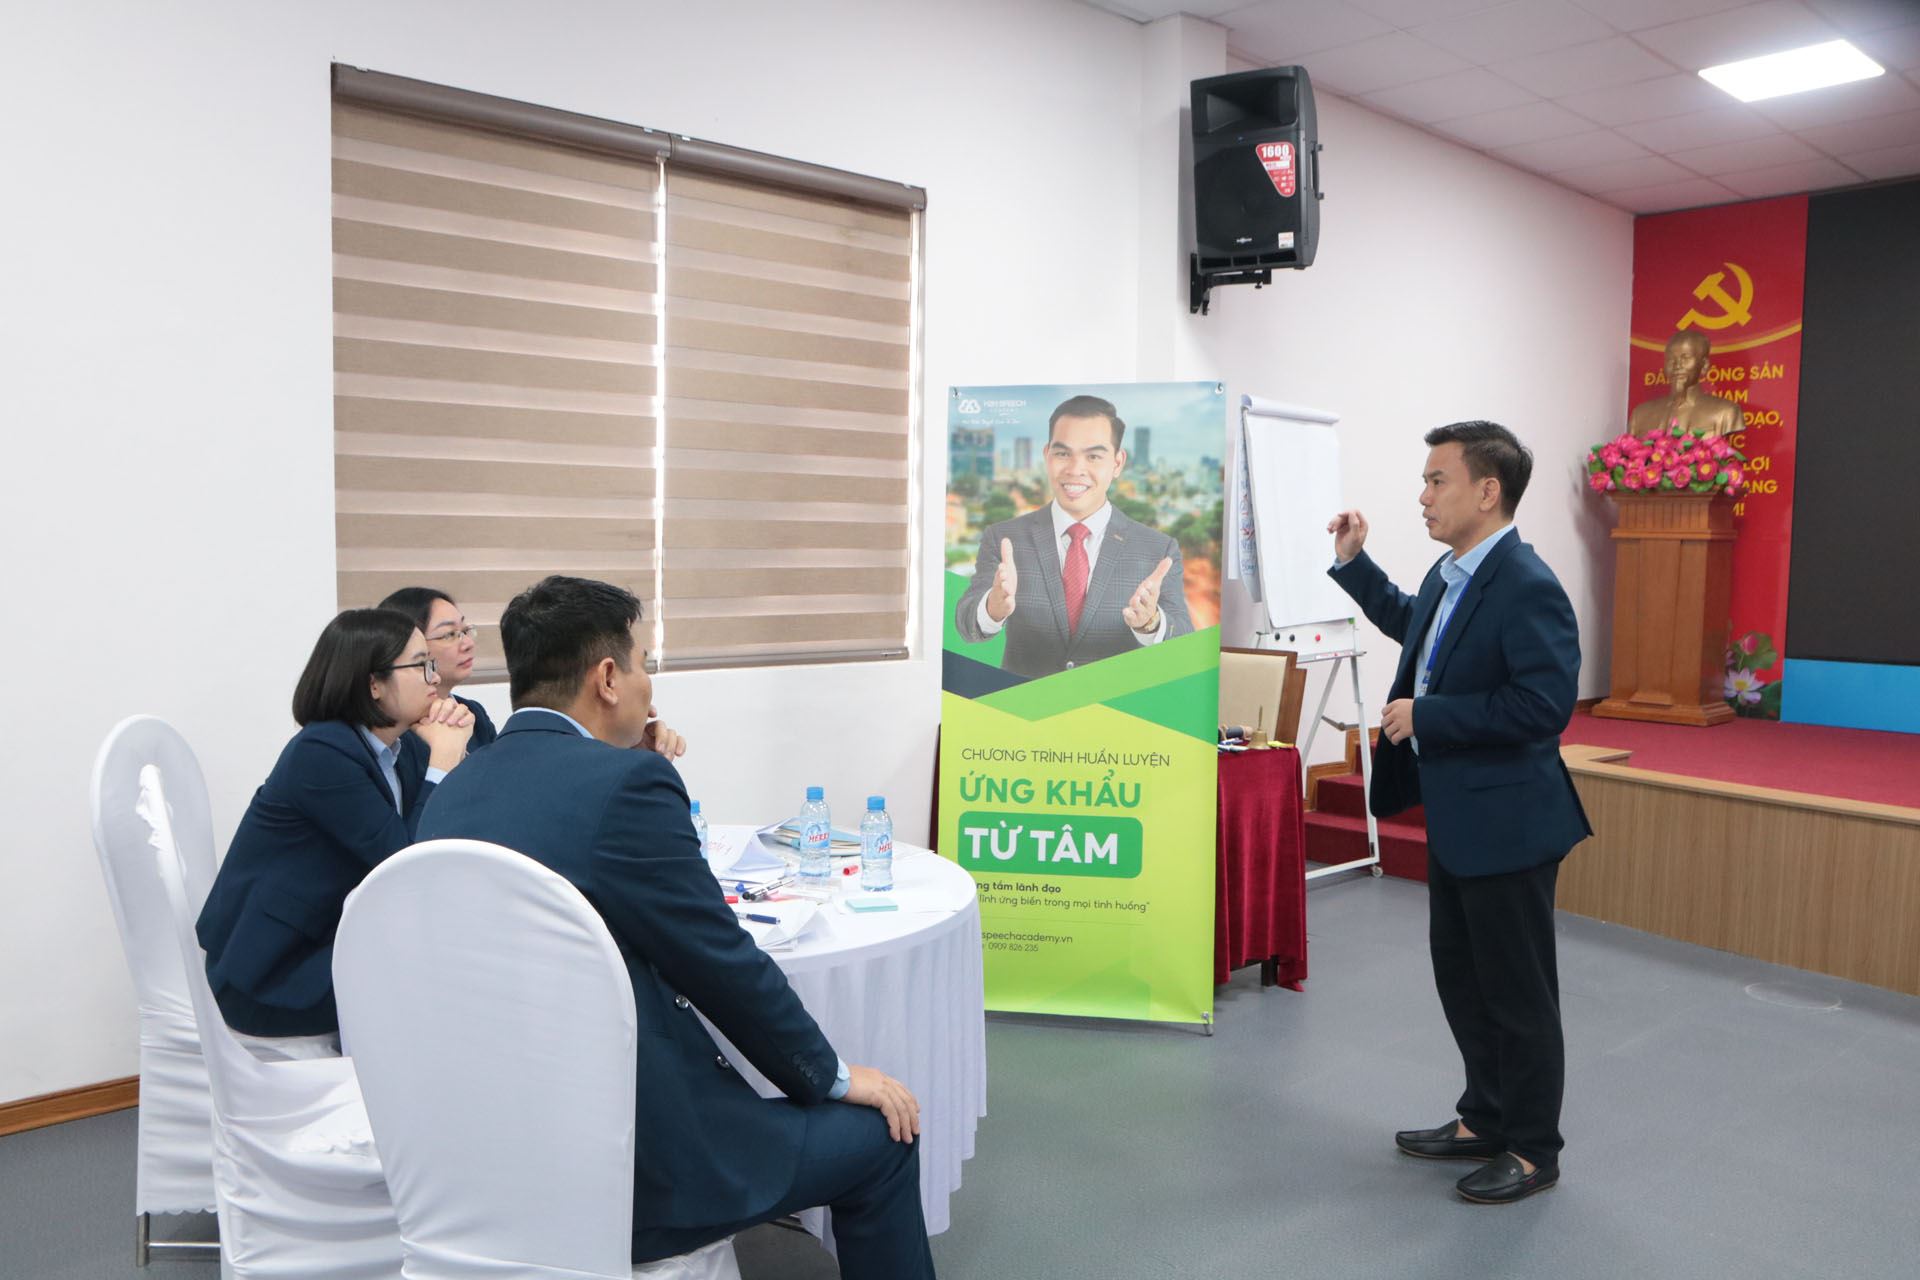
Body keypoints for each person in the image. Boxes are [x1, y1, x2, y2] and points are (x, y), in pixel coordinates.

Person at [416, 575, 934, 1276]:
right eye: (640, 665)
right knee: (882, 1139)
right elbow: (720, 961)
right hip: (635, 1165)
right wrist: (835, 1076)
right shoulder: (627, 787)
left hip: (491, 1149)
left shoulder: (454, 791)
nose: (648, 687)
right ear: (607, 678)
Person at [1325, 421, 1591, 1205]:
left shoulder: (1527, 583)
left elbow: (1543, 706)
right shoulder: (1452, 573)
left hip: (1511, 823)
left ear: (1487, 491)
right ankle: (1485, 1117)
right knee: (1465, 980)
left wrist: (1429, 717)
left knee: (1517, 992)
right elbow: (1418, 628)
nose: (1423, 495)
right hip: (1461, 816)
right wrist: (1355, 565)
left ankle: (1533, 1148)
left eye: (1437, 480)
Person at [196, 609, 473, 1057]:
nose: (435, 678)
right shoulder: (322, 752)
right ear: (373, 684)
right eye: (421, 664)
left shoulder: (399, 747)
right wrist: (442, 762)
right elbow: (404, 866)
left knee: (459, 959)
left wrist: (448, 753)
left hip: (330, 940)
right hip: (274, 973)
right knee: (451, 979)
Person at [954, 394, 1194, 678]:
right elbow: (966, 624)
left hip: (1118, 705)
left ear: (1117, 463)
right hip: (1023, 703)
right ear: (1047, 456)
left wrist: (1150, 623)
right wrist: (992, 609)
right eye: (1063, 454)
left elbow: (1185, 642)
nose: (1075, 469)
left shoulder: (1157, 549)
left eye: (1093, 456)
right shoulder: (1004, 538)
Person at [378, 584, 689, 759]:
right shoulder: (397, 735)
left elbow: (523, 784)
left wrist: (625, 750)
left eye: (466, 630)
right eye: (449, 634)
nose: (467, 643)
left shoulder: (472, 715)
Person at [1628, 330, 1741, 438]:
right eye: (1671, 359)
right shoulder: (1640, 414)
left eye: (1685, 358)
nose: (1677, 365)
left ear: (1704, 365)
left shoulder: (1726, 412)